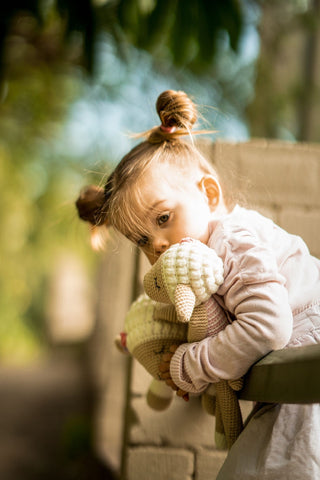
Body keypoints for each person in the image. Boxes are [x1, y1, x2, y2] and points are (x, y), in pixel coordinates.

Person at [76, 89, 320, 479]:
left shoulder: (234, 237)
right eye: (141, 240)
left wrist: (191, 365)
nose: (156, 244)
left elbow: (268, 325)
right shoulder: (203, 263)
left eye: (162, 218)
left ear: (208, 193)